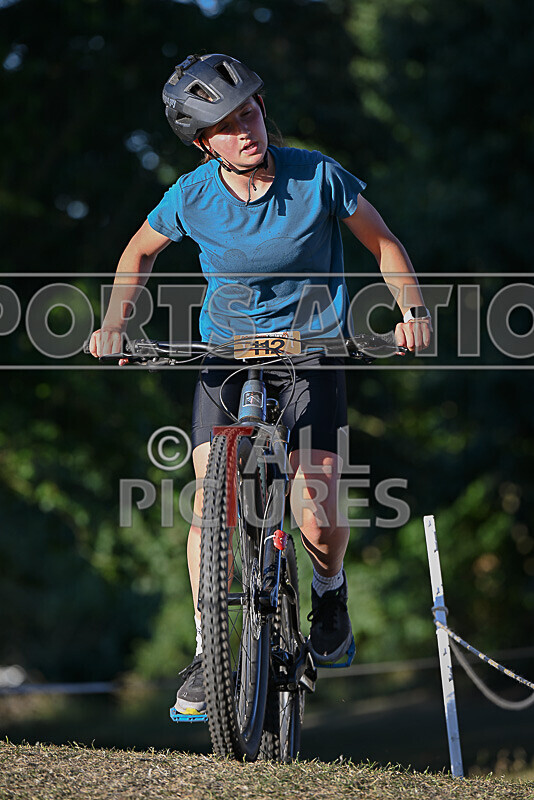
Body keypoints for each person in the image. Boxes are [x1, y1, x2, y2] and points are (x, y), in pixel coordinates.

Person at [89, 53, 432, 716]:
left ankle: (329, 590)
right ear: (202, 142)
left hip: (312, 349)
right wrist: (113, 324)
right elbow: (138, 252)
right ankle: (208, 648)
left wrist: (412, 313)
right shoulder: (191, 195)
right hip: (226, 354)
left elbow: (383, 244)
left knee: (316, 496)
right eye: (225, 123)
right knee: (207, 500)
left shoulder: (317, 176)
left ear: (262, 108)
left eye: (249, 110)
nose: (244, 128)